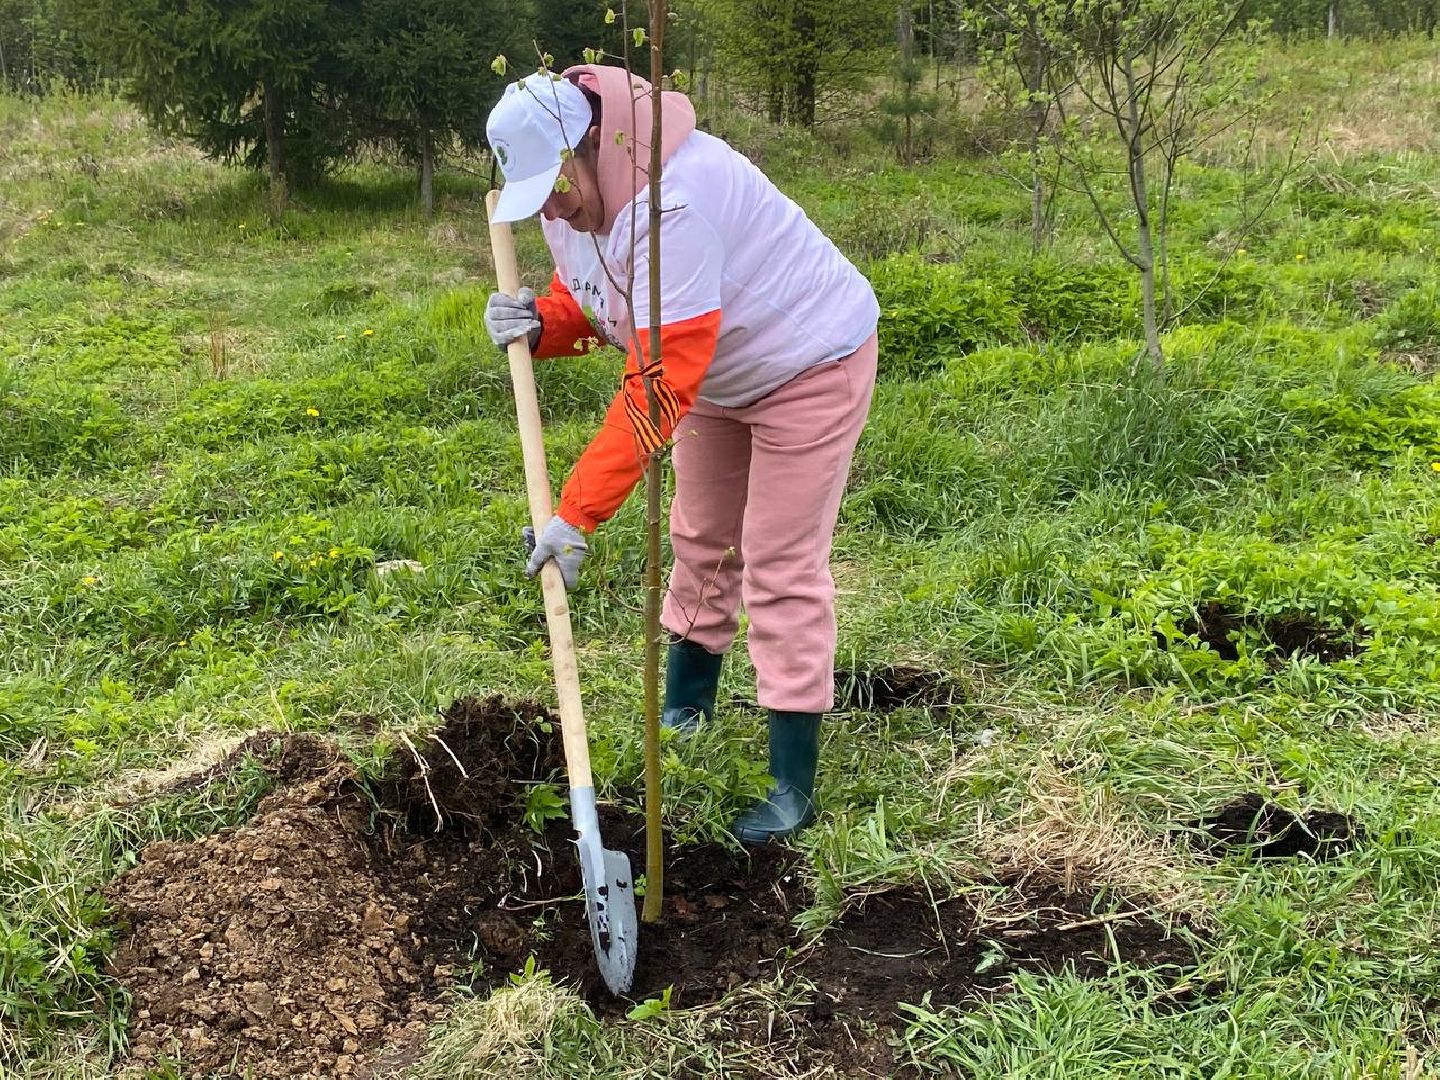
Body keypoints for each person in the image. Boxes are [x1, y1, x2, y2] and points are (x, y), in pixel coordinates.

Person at [483, 64, 879, 845]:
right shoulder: (568, 199)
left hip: (810, 361)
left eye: (559, 185)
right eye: (539, 197)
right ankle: (688, 706)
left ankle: (791, 781)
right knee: (702, 537)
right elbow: (607, 298)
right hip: (716, 374)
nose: (554, 209)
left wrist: (576, 514)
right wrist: (543, 322)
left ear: (592, 142)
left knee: (778, 561)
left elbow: (658, 383)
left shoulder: (676, 203)